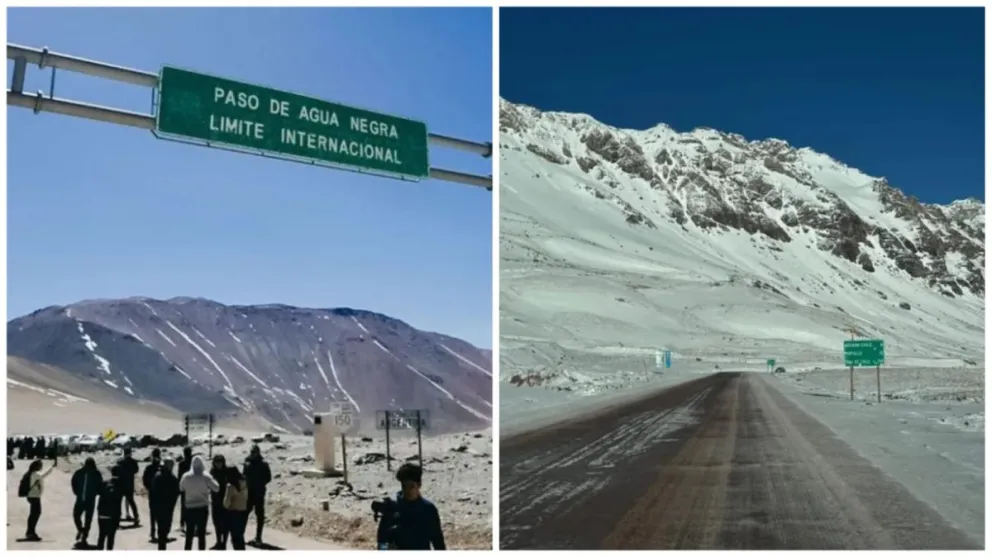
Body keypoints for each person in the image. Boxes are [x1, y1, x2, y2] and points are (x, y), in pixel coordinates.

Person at [376, 463, 446, 550]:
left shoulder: (428, 509)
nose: (407, 490)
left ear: (419, 485)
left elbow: (437, 540)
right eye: (404, 485)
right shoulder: (392, 507)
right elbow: (382, 538)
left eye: (411, 486)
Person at [179, 455, 219, 550]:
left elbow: (181, 488)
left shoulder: (186, 476)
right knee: (201, 535)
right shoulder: (205, 476)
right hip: (202, 509)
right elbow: (216, 488)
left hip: (190, 509)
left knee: (189, 535)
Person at [20, 456, 57, 541]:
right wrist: (52, 467)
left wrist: (51, 468)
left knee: (33, 514)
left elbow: (42, 475)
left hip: (32, 496)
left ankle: (30, 532)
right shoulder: (35, 475)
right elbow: (42, 475)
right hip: (34, 497)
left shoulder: (32, 474)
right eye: (40, 465)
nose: (41, 467)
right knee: (35, 514)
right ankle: (31, 532)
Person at [71, 457, 104, 547]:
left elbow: (100, 485)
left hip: (90, 500)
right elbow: (73, 482)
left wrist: (95, 493)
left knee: (88, 520)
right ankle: (81, 530)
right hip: (80, 498)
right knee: (76, 515)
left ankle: (84, 538)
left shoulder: (96, 474)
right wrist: (76, 492)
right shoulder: (79, 473)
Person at [243, 445, 272, 546]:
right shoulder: (247, 463)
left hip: (259, 493)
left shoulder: (263, 464)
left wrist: (260, 483)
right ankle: (241, 535)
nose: (253, 454)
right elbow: (244, 476)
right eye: (252, 452)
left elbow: (268, 478)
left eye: (254, 452)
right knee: (245, 514)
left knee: (259, 516)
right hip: (250, 493)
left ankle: (258, 537)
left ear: (258, 453)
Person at [150, 459, 181, 550]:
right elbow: (176, 493)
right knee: (164, 531)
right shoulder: (171, 478)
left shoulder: (157, 476)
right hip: (166, 509)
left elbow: (152, 494)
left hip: (159, 508)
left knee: (161, 533)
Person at [96, 466, 124, 550]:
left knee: (101, 536)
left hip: (102, 514)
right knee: (110, 538)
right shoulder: (120, 485)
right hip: (113, 516)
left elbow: (99, 492)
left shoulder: (105, 483)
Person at [223, 466, 250, 550]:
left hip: (233, 513)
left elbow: (226, 503)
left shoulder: (230, 486)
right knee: (240, 537)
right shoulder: (244, 482)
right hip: (243, 512)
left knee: (235, 538)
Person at [209, 455, 230, 549]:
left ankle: (224, 543)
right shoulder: (212, 472)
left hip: (225, 500)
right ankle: (218, 541)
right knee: (216, 522)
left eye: (220, 461)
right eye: (217, 462)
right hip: (215, 500)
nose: (218, 464)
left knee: (225, 523)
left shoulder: (227, 472)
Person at [143, 448, 164, 542]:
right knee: (161, 514)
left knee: (153, 513)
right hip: (160, 493)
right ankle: (160, 532)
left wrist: (149, 488)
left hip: (152, 492)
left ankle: (153, 532)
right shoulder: (162, 467)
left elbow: (145, 480)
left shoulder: (149, 467)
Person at [116, 447, 140, 525]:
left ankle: (117, 518)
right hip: (129, 484)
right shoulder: (133, 462)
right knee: (131, 501)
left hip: (120, 484)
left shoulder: (120, 462)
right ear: (130, 453)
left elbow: (117, 471)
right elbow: (136, 470)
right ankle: (136, 517)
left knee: (118, 502)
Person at [177, 446, 194, 532]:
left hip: (184, 487)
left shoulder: (181, 464)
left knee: (183, 507)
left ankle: (182, 524)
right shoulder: (194, 463)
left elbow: (180, 476)